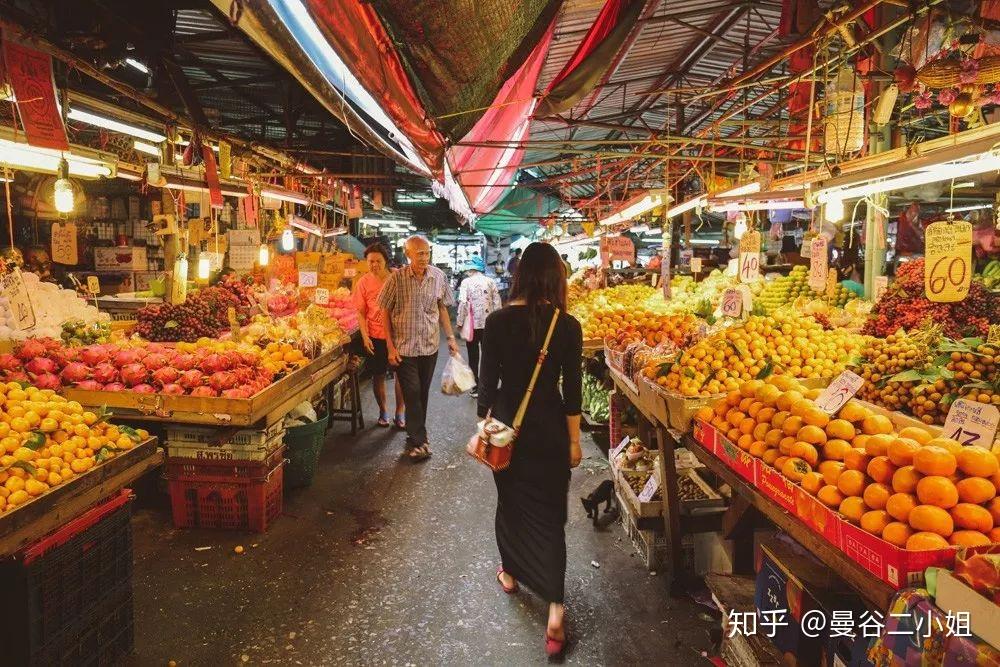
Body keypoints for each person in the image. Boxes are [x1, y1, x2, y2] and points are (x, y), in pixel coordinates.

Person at [475, 242, 583, 657]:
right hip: (551, 430)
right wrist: (574, 442)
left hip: (507, 430)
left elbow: (486, 389)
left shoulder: (498, 321)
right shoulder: (567, 326)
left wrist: (484, 426)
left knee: (512, 504)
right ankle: (555, 609)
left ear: (519, 274)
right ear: (556, 277)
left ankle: (510, 572)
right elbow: (572, 393)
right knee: (551, 516)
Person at [379, 235, 458, 461]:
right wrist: (390, 346)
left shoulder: (438, 277)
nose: (424, 257)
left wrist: (451, 337)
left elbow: (442, 308)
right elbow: (384, 310)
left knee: (421, 393)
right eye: (419, 253)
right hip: (405, 348)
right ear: (408, 255)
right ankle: (420, 442)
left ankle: (414, 434)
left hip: (430, 346)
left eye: (427, 253)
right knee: (412, 392)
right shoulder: (396, 279)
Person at [352, 243, 405, 429]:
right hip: (375, 335)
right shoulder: (363, 283)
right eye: (371, 261)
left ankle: (400, 412)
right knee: (378, 375)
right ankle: (383, 411)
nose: (374, 265)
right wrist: (365, 337)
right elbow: (360, 312)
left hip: (399, 335)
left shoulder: (398, 277)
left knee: (402, 376)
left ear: (386, 261)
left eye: (378, 261)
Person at [456, 256, 501, 398]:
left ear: (471, 269)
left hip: (472, 326)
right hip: (490, 325)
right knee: (489, 356)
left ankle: (476, 387)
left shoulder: (466, 282)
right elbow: (497, 303)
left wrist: (459, 321)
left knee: (473, 356)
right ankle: (489, 387)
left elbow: (463, 304)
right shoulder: (490, 281)